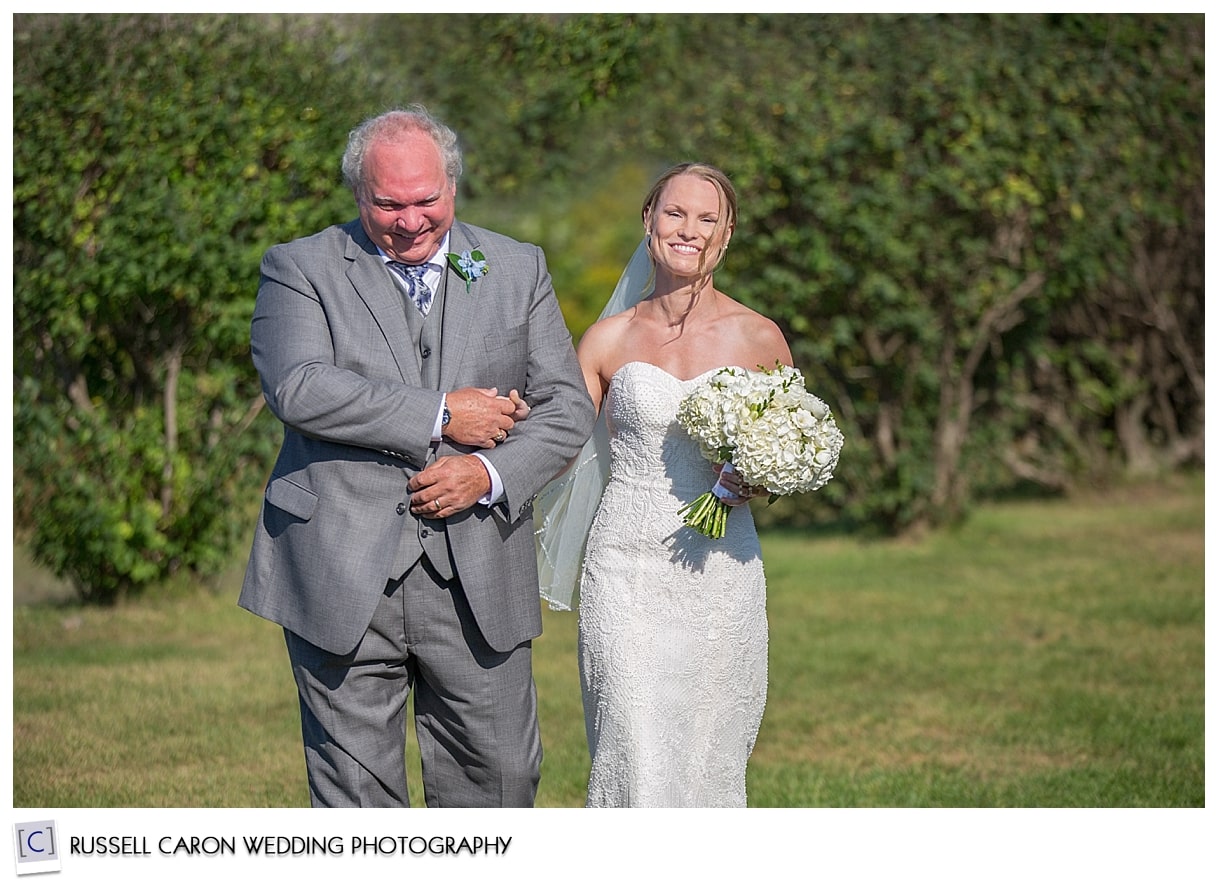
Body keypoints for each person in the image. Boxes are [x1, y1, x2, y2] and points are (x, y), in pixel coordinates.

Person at [238, 106, 596, 808]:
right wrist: (442, 415)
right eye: (388, 204)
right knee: (355, 800)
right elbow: (299, 385)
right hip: (338, 563)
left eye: (426, 201)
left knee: (499, 783)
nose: (409, 221)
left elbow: (566, 407)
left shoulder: (517, 268)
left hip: (479, 568)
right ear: (357, 195)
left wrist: (488, 473)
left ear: (453, 188)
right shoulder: (300, 266)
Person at [536, 162, 793, 807]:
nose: (689, 230)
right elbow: (556, 450)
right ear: (648, 222)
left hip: (721, 570)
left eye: (708, 218)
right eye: (675, 213)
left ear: (727, 234)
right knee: (631, 745)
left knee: (710, 749)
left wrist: (756, 477)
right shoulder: (605, 340)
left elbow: (790, 444)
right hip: (624, 568)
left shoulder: (759, 337)